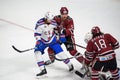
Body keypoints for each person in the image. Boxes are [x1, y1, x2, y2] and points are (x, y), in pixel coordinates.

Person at [34, 12, 74, 77]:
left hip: (53, 40)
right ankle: (43, 70)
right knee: (37, 52)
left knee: (60, 53)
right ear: (45, 18)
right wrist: (38, 41)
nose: (51, 21)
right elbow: (37, 34)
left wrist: (62, 35)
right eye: (49, 19)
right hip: (42, 41)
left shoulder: (53, 22)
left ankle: (70, 65)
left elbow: (59, 29)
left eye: (51, 19)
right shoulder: (39, 23)